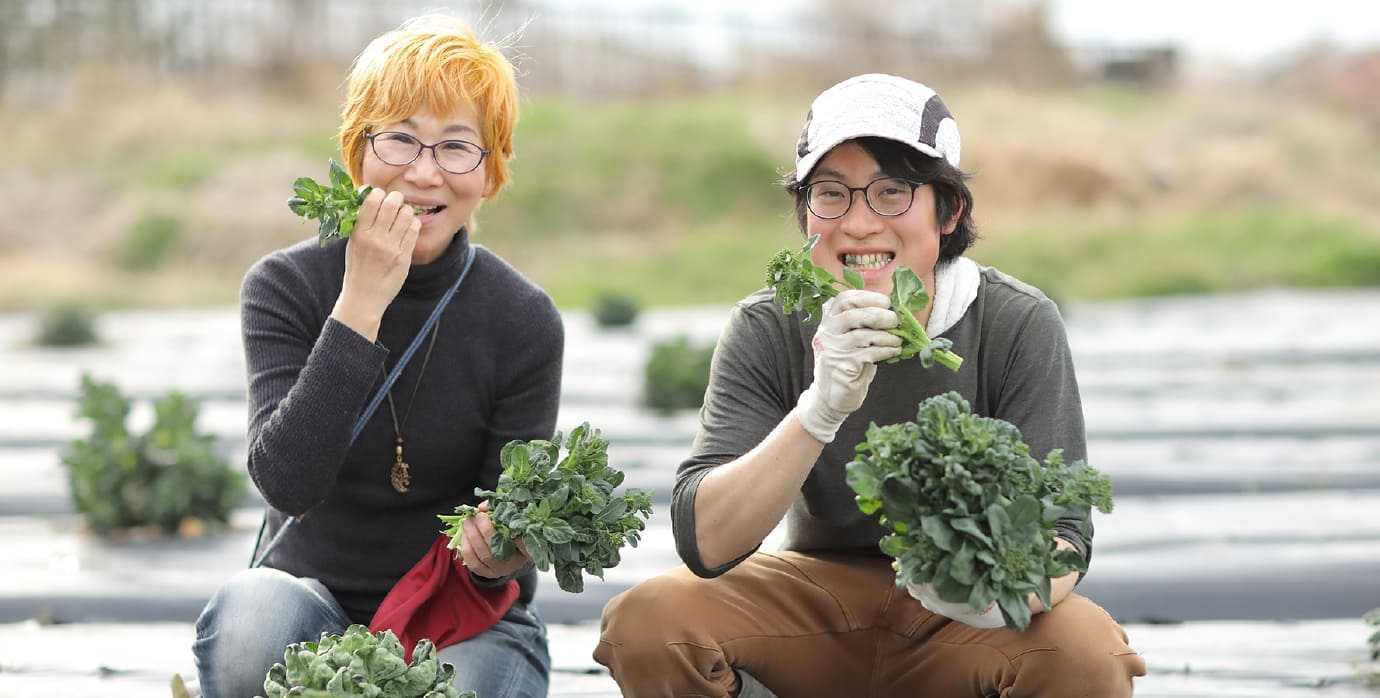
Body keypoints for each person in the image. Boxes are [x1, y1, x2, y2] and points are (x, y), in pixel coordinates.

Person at [593, 73, 1148, 697]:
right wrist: (818, 410)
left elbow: (1065, 535)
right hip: (816, 599)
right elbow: (706, 542)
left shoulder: (1016, 321)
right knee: (650, 622)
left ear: (950, 209)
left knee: (1086, 652)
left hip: (961, 624)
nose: (858, 224)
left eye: (891, 192)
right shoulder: (767, 325)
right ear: (805, 211)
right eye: (830, 194)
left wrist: (982, 593)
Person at [192, 14, 562, 698]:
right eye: (400, 140)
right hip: (312, 607)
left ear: (490, 171)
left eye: (457, 148)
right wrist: (359, 303)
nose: (424, 175)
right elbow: (286, 483)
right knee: (250, 618)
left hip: (460, 622)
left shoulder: (523, 319)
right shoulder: (284, 287)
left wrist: (500, 551)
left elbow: (509, 527)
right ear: (357, 151)